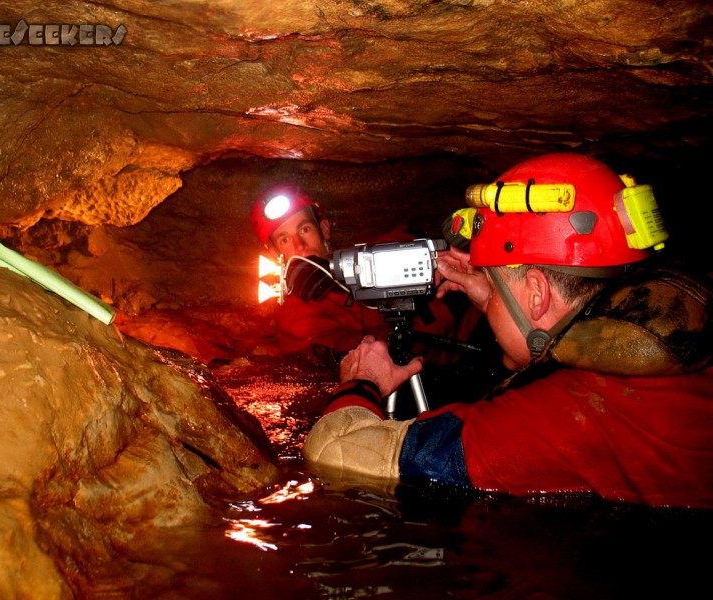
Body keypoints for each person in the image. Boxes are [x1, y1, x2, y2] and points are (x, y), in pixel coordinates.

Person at [302, 152, 713, 508]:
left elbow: (335, 453)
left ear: (537, 292)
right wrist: (497, 300)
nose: (489, 297)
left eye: (495, 284)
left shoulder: (549, 420)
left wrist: (361, 384)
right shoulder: (673, 341)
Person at [250, 184, 487, 370]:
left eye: (304, 229)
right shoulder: (295, 317)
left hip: (478, 334)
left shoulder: (367, 258)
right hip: (439, 374)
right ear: (273, 254)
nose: (300, 246)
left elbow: (410, 237)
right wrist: (449, 306)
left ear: (324, 230)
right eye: (284, 239)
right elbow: (355, 357)